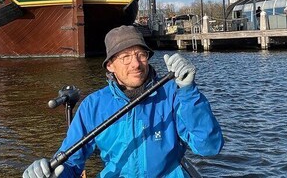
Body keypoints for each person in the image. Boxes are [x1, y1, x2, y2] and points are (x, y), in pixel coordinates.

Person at [23, 25, 224, 178]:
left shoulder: (173, 93)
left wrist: (189, 91)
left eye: (140, 55)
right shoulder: (93, 106)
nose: (136, 64)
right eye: (126, 57)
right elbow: (72, 164)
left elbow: (209, 147)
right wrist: (48, 172)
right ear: (110, 66)